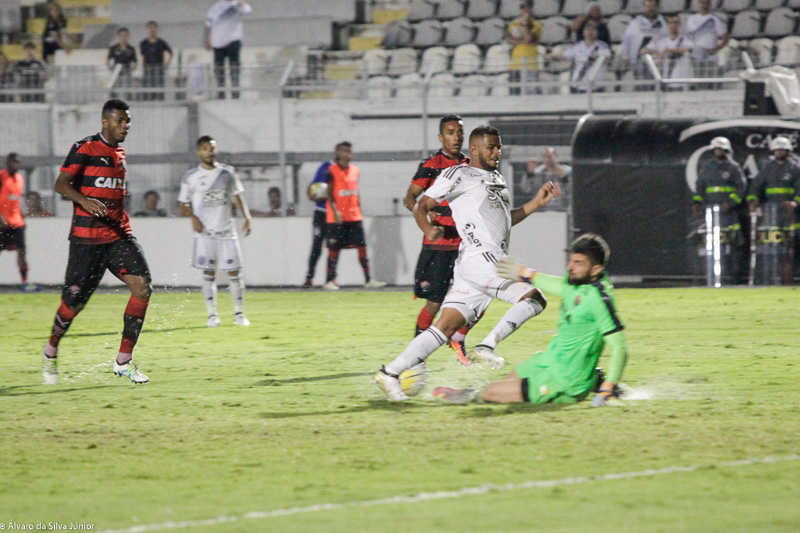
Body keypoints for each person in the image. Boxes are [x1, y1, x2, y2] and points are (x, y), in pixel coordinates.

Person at [374, 125, 560, 401]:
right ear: (474, 149)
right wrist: (428, 229)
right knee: (534, 298)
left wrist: (535, 204)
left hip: (477, 263)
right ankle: (487, 345)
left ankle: (389, 373)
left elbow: (504, 220)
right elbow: (422, 205)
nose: (497, 152)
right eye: (491, 147)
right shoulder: (458, 174)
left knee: (444, 328)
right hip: (482, 259)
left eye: (498, 147)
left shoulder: (497, 178)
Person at [434, 234, 627, 407]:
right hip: (549, 360)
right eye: (571, 260)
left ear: (595, 269)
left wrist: (608, 388)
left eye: (578, 263)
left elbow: (620, 348)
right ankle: (596, 379)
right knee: (508, 381)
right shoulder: (577, 282)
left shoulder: (599, 300)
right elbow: (560, 286)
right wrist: (526, 274)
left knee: (491, 393)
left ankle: (473, 396)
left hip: (564, 380)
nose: (570, 267)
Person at [42, 99, 151, 385]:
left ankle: (123, 362)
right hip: (86, 239)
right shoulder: (85, 148)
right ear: (105, 121)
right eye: (120, 121)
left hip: (118, 235)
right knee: (73, 304)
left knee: (142, 287)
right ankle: (51, 349)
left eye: (128, 121)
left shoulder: (120, 153)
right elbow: (61, 184)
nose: (125, 126)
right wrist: (84, 200)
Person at [404, 115, 472, 365]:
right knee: (434, 303)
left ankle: (458, 338)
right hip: (439, 246)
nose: (456, 137)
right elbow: (410, 198)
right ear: (441, 137)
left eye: (460, 132)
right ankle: (416, 356)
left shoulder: (469, 165)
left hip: (466, 245)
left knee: (477, 295)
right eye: (451, 132)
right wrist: (427, 221)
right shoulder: (432, 164)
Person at [178, 135, 252, 327]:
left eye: (212, 148)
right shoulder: (191, 176)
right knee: (208, 273)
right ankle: (212, 315)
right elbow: (183, 204)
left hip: (226, 232)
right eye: (205, 149)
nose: (209, 152)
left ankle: (239, 314)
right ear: (198, 152)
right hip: (205, 234)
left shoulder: (228, 173)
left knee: (235, 273)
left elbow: (237, 197)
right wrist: (193, 218)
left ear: (216, 150)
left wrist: (247, 217)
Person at [322, 141, 386, 291]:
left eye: (349, 151)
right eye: (344, 150)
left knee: (362, 247)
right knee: (334, 249)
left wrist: (359, 210)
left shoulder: (355, 170)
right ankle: (330, 280)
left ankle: (368, 279)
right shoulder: (331, 171)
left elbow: (355, 192)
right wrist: (335, 211)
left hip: (354, 216)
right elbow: (329, 193)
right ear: (337, 153)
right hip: (337, 217)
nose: (348, 153)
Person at [692, 136, 746, 283]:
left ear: (726, 150)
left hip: (729, 212)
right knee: (712, 243)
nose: (719, 151)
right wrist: (697, 202)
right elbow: (700, 186)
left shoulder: (733, 167)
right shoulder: (707, 167)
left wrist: (731, 203)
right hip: (711, 212)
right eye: (716, 149)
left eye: (721, 149)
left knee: (733, 242)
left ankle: (735, 276)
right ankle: (713, 276)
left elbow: (741, 188)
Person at [746, 136, 800, 284]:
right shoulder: (768, 168)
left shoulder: (795, 168)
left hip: (791, 215)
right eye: (776, 150)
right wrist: (753, 200)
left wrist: (795, 203)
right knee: (772, 246)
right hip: (772, 213)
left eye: (782, 150)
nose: (779, 152)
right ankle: (771, 277)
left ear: (788, 151)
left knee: (790, 247)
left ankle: (789, 279)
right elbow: (755, 186)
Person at [0, 153, 38, 292]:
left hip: (17, 222)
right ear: (7, 163)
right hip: (2, 224)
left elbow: (16, 201)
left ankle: (24, 282)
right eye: (13, 162)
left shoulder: (20, 178)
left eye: (18, 162)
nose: (16, 165)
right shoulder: (1, 176)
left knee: (22, 252)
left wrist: (22, 218)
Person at [204, 0, 252, 99]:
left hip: (233, 41)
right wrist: (207, 39)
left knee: (234, 69)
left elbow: (248, 10)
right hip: (218, 43)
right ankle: (221, 94)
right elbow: (208, 24)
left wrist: (240, 2)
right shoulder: (215, 7)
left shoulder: (236, 5)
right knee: (219, 70)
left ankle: (235, 95)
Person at [550, 20, 611, 93]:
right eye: (587, 29)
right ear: (583, 32)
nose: (590, 32)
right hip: (579, 86)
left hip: (595, 86)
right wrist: (551, 56)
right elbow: (563, 56)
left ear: (597, 32)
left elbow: (607, 57)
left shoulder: (602, 46)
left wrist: (598, 55)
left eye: (593, 29)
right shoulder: (577, 46)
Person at [620, 0, 666, 87]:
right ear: (644, 8)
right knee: (640, 85)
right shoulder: (635, 23)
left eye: (652, 6)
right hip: (638, 60)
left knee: (655, 85)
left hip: (656, 61)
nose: (650, 9)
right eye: (648, 6)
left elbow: (665, 41)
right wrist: (626, 57)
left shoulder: (663, 24)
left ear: (657, 8)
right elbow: (627, 40)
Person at [642, 15, 694, 91]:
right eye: (671, 23)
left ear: (679, 24)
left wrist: (667, 50)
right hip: (667, 77)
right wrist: (656, 52)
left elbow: (689, 49)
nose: (673, 25)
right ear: (667, 25)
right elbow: (643, 50)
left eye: (676, 23)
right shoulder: (661, 40)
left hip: (681, 78)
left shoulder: (684, 39)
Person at [303, 157, 332, 288]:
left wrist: (328, 195)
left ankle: (330, 279)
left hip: (333, 213)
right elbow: (313, 185)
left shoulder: (344, 170)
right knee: (317, 246)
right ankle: (309, 277)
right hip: (320, 213)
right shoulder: (324, 167)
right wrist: (311, 194)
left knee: (332, 246)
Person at [505, 1, 542, 96]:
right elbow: (508, 39)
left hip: (530, 64)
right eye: (522, 8)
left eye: (527, 8)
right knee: (514, 92)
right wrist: (522, 41)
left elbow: (529, 38)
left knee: (531, 93)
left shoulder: (536, 24)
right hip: (515, 63)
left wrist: (525, 24)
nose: (524, 11)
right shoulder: (514, 24)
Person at [516, 147, 571, 211]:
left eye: (550, 156)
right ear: (542, 158)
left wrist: (564, 178)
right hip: (541, 210)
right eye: (546, 156)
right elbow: (526, 189)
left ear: (556, 156)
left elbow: (572, 190)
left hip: (562, 209)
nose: (549, 159)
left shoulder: (567, 171)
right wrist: (530, 174)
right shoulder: (537, 172)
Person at [685, 0, 728, 78]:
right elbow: (689, 36)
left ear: (709, 4)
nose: (704, 5)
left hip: (711, 57)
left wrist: (715, 49)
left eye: (706, 3)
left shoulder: (715, 19)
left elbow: (725, 39)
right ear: (698, 4)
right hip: (696, 56)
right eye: (702, 3)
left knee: (711, 78)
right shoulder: (692, 19)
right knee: (698, 78)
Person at [139, 21, 172, 101]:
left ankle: (160, 100)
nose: (152, 30)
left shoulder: (161, 42)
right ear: (147, 30)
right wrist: (143, 66)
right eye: (150, 28)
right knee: (148, 85)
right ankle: (148, 100)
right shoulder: (143, 43)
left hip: (158, 66)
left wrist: (167, 64)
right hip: (148, 67)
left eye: (154, 28)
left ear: (157, 29)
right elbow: (143, 56)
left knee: (159, 84)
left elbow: (170, 53)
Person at [107, 27, 138, 100]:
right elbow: (108, 59)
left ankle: (128, 101)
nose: (123, 37)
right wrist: (110, 68)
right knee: (114, 88)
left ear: (128, 36)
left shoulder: (131, 49)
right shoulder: (114, 48)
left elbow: (135, 61)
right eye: (121, 36)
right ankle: (113, 101)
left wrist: (132, 68)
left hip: (127, 71)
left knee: (128, 87)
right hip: (116, 71)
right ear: (118, 36)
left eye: (125, 35)